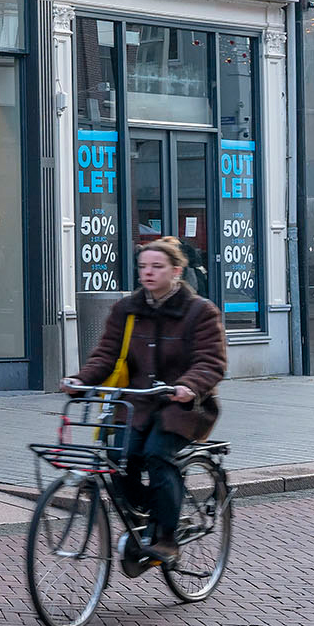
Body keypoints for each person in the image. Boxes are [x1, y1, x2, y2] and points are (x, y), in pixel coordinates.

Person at [71, 237, 226, 572]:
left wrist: (188, 386)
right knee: (116, 456)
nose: (148, 273)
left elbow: (211, 362)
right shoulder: (127, 309)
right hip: (137, 405)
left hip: (185, 408)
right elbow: (106, 354)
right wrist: (81, 380)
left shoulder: (200, 312)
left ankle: (167, 537)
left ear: (176, 270)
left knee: (157, 454)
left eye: (157, 267)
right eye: (143, 267)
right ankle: (150, 512)